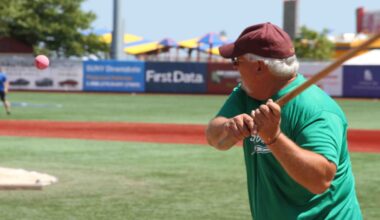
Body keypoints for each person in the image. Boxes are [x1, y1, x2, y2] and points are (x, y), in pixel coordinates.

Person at [206, 22, 362, 219]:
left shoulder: (316, 109)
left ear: (259, 66)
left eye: (237, 61)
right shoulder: (247, 93)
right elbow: (213, 137)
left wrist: (274, 138)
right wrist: (229, 128)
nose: (235, 68)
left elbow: (320, 180)